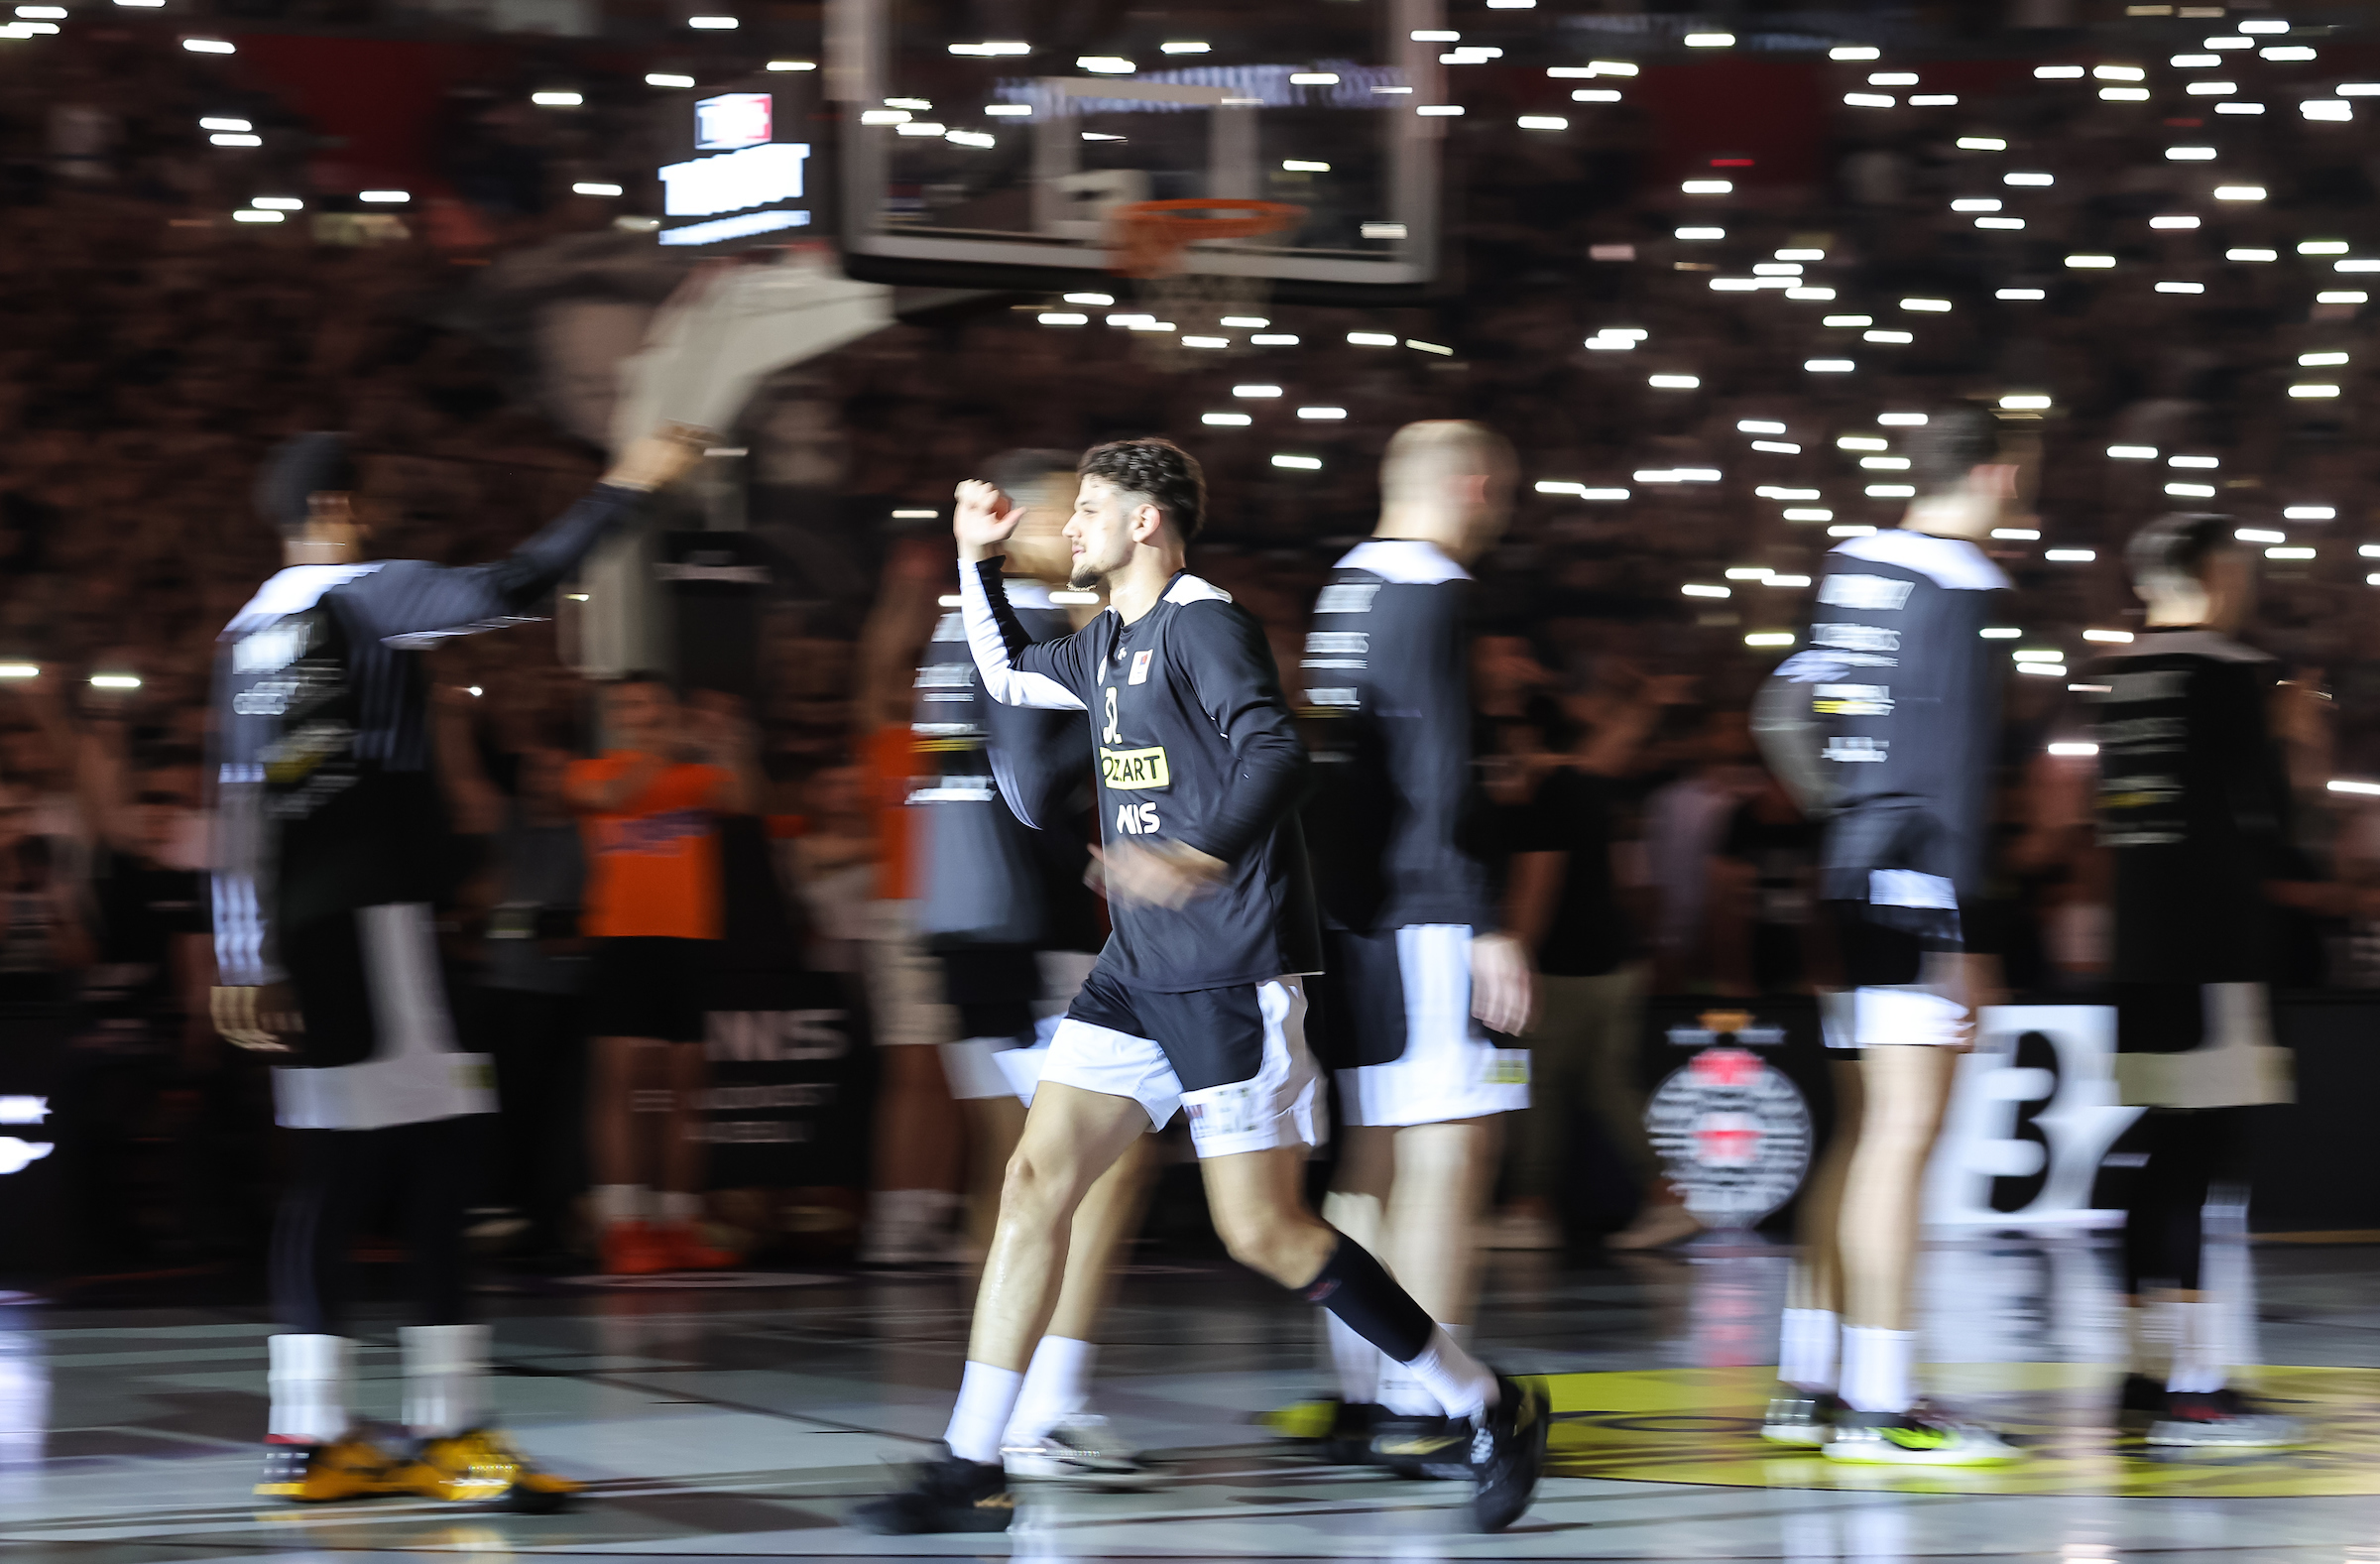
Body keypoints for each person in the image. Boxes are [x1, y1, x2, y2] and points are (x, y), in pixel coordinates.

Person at [855, 439, 1547, 1535]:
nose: (1069, 527)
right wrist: (972, 562)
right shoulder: (1109, 640)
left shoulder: (1205, 624)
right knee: (1036, 1181)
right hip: (1136, 972)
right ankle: (969, 1460)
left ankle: (1486, 1401)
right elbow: (1002, 676)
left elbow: (1272, 751)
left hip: (1231, 973)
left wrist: (1201, 854)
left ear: (1146, 523)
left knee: (1266, 1232)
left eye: (1088, 510)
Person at [209, 419, 711, 1506]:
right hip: (377, 920)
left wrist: (243, 949)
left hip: (304, 934)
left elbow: (238, 803)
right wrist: (628, 485)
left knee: (334, 1178)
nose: (379, 516)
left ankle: (308, 1434)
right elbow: (517, 584)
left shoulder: (246, 629)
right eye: (371, 498)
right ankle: (449, 1430)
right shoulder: (357, 592)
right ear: (338, 509)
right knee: (444, 1163)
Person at [1750, 405, 2024, 1464]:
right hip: (1919, 888)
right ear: (1998, 477)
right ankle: (1880, 1399)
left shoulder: (1855, 569)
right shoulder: (1962, 586)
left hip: (1848, 881)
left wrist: (1841, 814)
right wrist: (1969, 939)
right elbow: (1956, 778)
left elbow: (1780, 710)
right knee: (1902, 1141)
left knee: (1864, 1135)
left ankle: (1811, 1379)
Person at [913, 448, 1157, 1481]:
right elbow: (1027, 779)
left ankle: (1004, 1401)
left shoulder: (954, 618)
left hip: (959, 924)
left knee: (1015, 1178)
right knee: (1103, 1163)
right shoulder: (1032, 627)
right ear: (1017, 520)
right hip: (1024, 927)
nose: (1082, 524)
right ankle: (1046, 1410)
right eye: (1073, 507)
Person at [1297, 421, 1532, 1472]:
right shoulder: (1433, 587)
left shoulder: (1342, 590)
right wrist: (1485, 918)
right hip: (1426, 910)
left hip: (1349, 915)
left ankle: (1362, 1385)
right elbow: (1440, 770)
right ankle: (1428, 1400)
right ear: (1474, 486)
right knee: (1452, 1145)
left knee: (1373, 1149)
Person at [2089, 514, 2303, 1446]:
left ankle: (2149, 1367)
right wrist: (2296, 737)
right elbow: (2267, 824)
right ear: (2213, 571)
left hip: (2142, 950)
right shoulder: (2228, 675)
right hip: (2218, 955)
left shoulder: (2124, 676)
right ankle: (2192, 1378)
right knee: (2205, 1164)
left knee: (2162, 1156)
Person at [1495, 670, 1700, 1254]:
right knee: (1606, 1085)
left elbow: (1538, 882)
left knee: (1538, 1086)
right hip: (1615, 960)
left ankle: (1527, 1208)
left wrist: (1515, 955)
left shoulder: (1546, 792)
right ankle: (1665, 1197)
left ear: (1527, 736)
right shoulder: (1588, 783)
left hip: (1565, 966)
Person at [566, 672, 757, 1274]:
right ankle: (624, 1225)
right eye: (627, 705)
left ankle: (677, 1220)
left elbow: (748, 801)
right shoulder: (593, 770)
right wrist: (667, 743)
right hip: (622, 939)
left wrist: (729, 743)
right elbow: (614, 797)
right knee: (620, 1086)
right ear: (614, 715)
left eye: (650, 702)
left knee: (685, 1091)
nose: (640, 713)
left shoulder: (694, 775)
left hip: (690, 941)